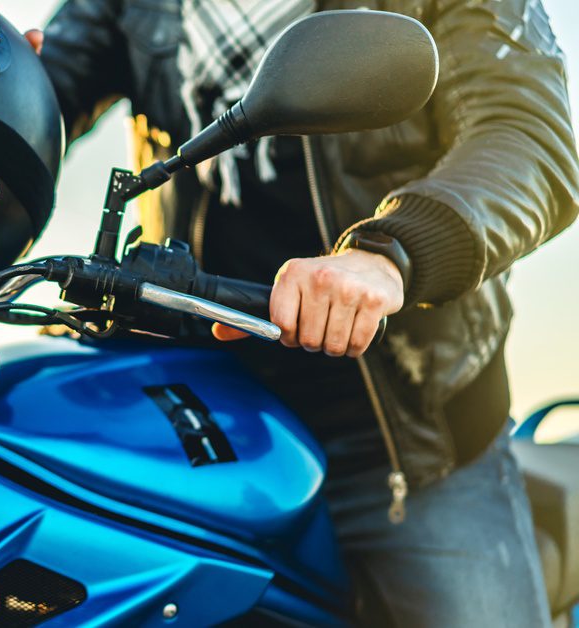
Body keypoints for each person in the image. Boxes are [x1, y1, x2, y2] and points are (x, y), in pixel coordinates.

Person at [30, 0, 579, 625]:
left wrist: (390, 253)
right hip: (197, 417)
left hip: (402, 445)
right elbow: (49, 88)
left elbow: (524, 134)